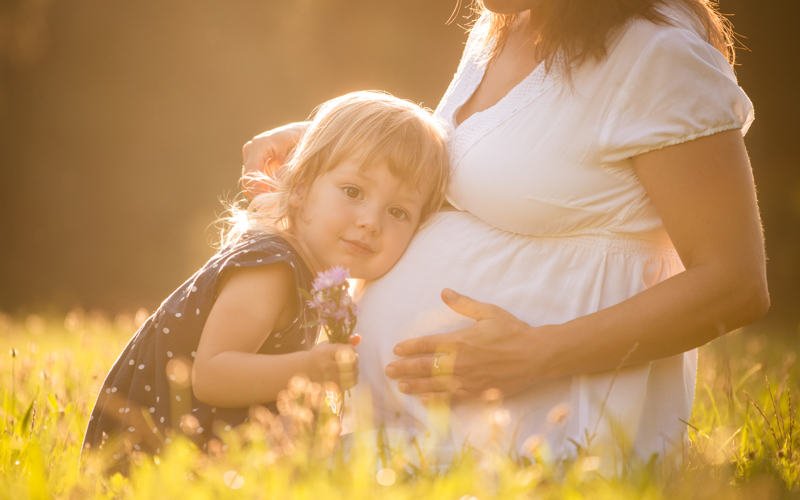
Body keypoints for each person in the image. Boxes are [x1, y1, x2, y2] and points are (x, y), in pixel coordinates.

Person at [242, 0, 768, 463]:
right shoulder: (507, 21)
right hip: (408, 434)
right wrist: (334, 140)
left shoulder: (659, 56)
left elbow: (734, 283)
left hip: (551, 440)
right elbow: (493, 154)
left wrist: (537, 353)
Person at [82, 91, 450, 471]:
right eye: (353, 192)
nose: (371, 221)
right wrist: (307, 369)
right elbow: (211, 375)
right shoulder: (272, 268)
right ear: (301, 188)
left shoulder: (304, 271)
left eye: (398, 211)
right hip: (150, 458)